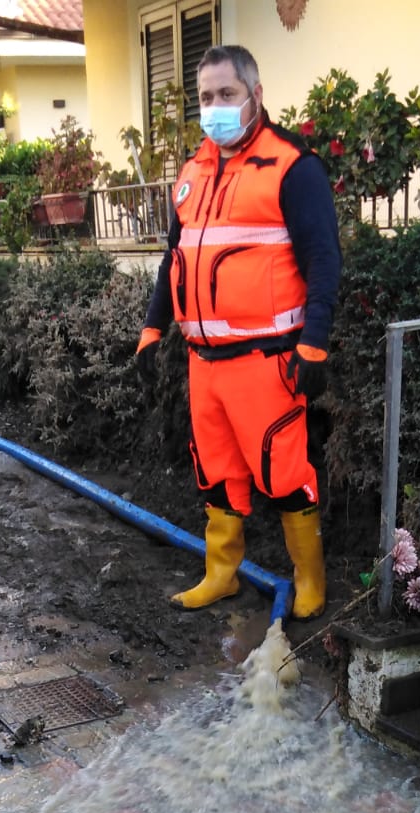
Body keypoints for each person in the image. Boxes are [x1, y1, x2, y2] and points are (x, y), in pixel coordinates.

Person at [135, 44, 341, 618]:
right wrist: (153, 329)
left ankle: (309, 580)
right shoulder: (193, 171)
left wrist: (315, 343)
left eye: (227, 94)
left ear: (255, 95)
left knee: (283, 474)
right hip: (204, 364)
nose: (215, 107)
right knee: (217, 473)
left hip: (268, 361)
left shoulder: (293, 166)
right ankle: (221, 574)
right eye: (205, 97)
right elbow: (174, 256)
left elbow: (324, 262)